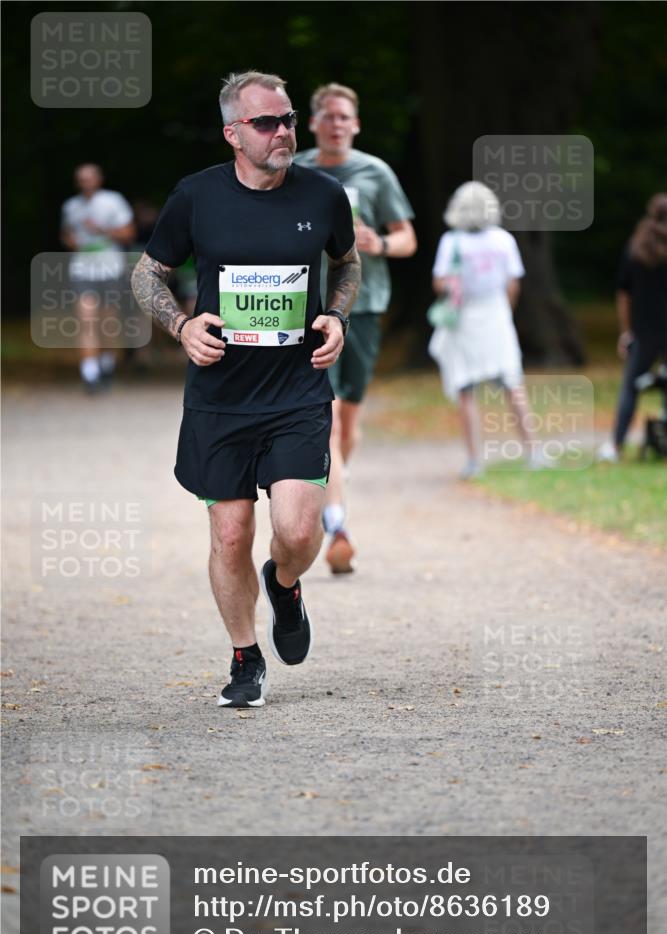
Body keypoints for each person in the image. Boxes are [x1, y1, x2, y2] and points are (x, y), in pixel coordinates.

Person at [131, 71, 360, 708]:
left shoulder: (323, 195)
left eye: (287, 119)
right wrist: (181, 324)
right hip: (220, 397)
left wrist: (336, 317)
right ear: (234, 133)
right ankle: (244, 656)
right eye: (267, 122)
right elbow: (147, 275)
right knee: (229, 535)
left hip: (296, 390)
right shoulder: (196, 197)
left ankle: (284, 584)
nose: (284, 130)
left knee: (295, 531)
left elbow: (347, 263)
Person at [295, 83, 416, 574]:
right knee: (327, 412)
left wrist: (378, 243)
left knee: (348, 425)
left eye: (345, 117)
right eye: (328, 116)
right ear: (314, 122)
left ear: (356, 124)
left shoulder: (375, 172)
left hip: (364, 304)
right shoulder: (295, 170)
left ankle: (330, 485)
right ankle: (338, 523)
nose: (337, 124)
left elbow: (408, 238)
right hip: (308, 306)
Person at [431, 181, 546, 478]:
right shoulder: (503, 240)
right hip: (496, 314)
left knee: (465, 388)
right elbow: (513, 283)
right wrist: (505, 310)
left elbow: (439, 282)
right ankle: (533, 450)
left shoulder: (452, 241)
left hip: (465, 318)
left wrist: (454, 286)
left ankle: (474, 460)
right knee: (512, 383)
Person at [597, 193, 667, 462]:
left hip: (644, 332)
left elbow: (623, 295)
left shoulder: (636, 249)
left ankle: (615, 445)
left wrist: (626, 330)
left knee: (630, 388)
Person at [60, 164, 136, 392]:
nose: (86, 182)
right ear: (77, 182)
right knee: (87, 320)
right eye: (81, 179)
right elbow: (66, 235)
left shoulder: (113, 201)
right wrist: (70, 241)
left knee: (107, 322)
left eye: (90, 178)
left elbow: (129, 233)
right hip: (82, 268)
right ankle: (89, 373)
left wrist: (101, 230)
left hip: (110, 267)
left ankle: (107, 363)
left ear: (99, 179)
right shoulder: (71, 206)